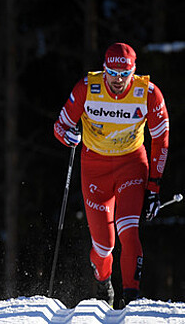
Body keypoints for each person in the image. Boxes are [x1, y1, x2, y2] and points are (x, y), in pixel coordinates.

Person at [53, 43, 169, 308]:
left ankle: (131, 299)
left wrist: (154, 187)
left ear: (134, 72)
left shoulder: (148, 93)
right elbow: (60, 125)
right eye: (112, 72)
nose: (117, 79)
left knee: (129, 231)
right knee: (104, 247)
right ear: (103, 70)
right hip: (94, 168)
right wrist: (67, 135)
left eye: (124, 73)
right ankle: (103, 280)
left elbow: (161, 139)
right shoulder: (87, 87)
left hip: (131, 163)